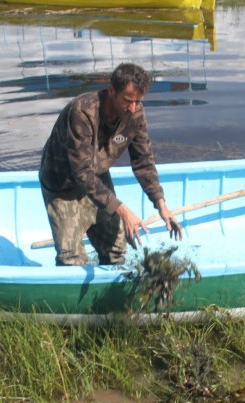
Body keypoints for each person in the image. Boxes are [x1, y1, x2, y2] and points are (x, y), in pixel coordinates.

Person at [39, 62, 183, 266]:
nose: (133, 107)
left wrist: (161, 205)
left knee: (116, 248)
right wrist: (123, 210)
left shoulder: (136, 114)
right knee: (71, 258)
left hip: (97, 176)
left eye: (138, 101)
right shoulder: (82, 112)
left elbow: (143, 162)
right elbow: (81, 173)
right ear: (111, 91)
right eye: (127, 101)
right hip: (63, 183)